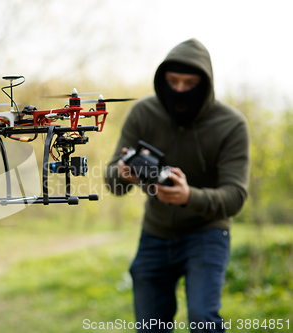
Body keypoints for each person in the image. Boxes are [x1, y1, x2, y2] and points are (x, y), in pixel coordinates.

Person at [105, 38, 250, 332]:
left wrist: (188, 196)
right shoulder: (144, 113)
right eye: (172, 81)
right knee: (150, 325)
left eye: (190, 82)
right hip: (155, 231)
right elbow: (112, 182)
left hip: (207, 231)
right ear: (162, 80)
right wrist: (123, 174)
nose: (180, 90)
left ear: (205, 83)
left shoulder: (231, 124)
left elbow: (235, 196)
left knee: (202, 319)